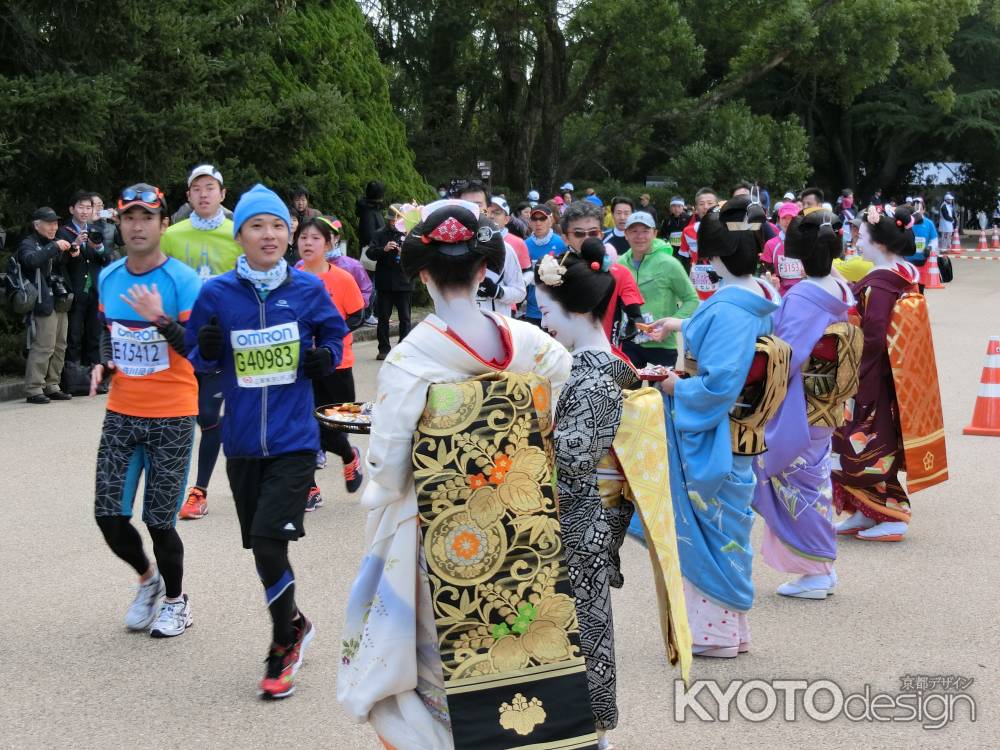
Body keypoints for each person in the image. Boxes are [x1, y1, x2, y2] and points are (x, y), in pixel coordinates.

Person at [338, 202, 594, 749]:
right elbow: (574, 404)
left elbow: (386, 465)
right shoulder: (529, 344)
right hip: (529, 525)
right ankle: (548, 733)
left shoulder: (411, 358)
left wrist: (384, 489)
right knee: (532, 625)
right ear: (484, 271)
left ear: (423, 274)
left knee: (447, 648)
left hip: (447, 528)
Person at [186, 184, 348, 698]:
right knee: (259, 544)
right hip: (241, 443)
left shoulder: (306, 290)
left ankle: (284, 640)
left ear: (290, 233)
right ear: (240, 237)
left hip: (294, 439)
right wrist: (207, 350)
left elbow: (335, 333)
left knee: (269, 538)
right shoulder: (216, 294)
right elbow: (199, 357)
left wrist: (323, 355)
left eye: (279, 225)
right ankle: (295, 620)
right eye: (258, 226)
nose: (270, 234)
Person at [534, 249, 690, 748]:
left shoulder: (597, 375)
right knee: (576, 621)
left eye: (546, 312)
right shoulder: (590, 365)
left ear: (577, 313)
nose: (542, 322)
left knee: (584, 623)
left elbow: (572, 458)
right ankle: (580, 726)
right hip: (582, 512)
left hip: (583, 516)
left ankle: (593, 729)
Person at [647, 196, 790, 658]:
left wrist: (674, 386)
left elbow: (722, 379)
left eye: (705, 255)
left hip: (720, 429)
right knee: (725, 521)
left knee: (714, 524)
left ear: (716, 257)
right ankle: (730, 628)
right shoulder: (759, 296)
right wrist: (682, 323)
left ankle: (717, 631)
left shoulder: (729, 308)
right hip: (738, 430)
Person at [88, 183, 200, 638]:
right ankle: (147, 580)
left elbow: (198, 349)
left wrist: (161, 319)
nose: (137, 225)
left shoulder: (183, 281)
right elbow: (105, 331)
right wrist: (104, 361)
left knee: (159, 519)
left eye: (146, 217)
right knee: (107, 514)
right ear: (119, 223)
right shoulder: (110, 277)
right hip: (122, 411)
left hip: (173, 412)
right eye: (129, 217)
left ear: (162, 224)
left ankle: (177, 602)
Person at [752, 210, 862, 600]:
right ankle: (821, 568)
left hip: (800, 401)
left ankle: (816, 569)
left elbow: (788, 355)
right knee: (811, 479)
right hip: (825, 401)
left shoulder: (801, 296)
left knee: (799, 483)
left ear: (794, 256)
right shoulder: (838, 286)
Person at [832, 205, 949, 543]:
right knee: (864, 443)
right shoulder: (901, 275)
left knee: (870, 445)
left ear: (880, 243)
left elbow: (873, 337)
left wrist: (853, 371)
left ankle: (893, 512)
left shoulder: (880, 285)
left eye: (862, 237)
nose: (857, 243)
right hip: (890, 373)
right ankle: (865, 511)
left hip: (872, 377)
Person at [162, 164, 242, 521]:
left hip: (221, 339)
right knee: (181, 415)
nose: (204, 193)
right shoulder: (172, 235)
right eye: (197, 188)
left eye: (211, 187)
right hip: (179, 338)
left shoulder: (237, 232)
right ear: (188, 196)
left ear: (222, 194)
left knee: (209, 415)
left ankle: (199, 490)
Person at [295, 216, 366, 507]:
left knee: (333, 426)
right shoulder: (290, 276)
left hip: (337, 363)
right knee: (302, 425)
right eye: (303, 237)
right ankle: (309, 488)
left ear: (329, 243)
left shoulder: (342, 278)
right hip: (300, 365)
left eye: (315, 238)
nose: (308, 243)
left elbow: (357, 315)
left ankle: (349, 455)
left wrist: (329, 339)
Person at [562, 200, 644, 361]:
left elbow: (633, 308)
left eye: (592, 233)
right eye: (579, 233)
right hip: (565, 356)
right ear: (566, 238)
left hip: (607, 356)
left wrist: (635, 321)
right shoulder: (555, 271)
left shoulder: (619, 273)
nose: (586, 238)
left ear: (600, 234)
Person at [617, 211, 698, 369]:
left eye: (645, 231)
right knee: (628, 393)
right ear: (625, 234)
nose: (639, 236)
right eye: (634, 231)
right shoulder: (619, 264)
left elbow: (692, 300)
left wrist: (669, 326)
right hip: (629, 343)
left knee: (661, 393)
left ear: (654, 233)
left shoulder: (669, 264)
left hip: (661, 344)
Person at [19, 207, 75, 403]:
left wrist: (69, 251)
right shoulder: (28, 243)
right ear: (37, 225)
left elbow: (57, 263)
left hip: (59, 298)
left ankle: (52, 384)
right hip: (42, 300)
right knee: (44, 345)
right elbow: (30, 261)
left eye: (56, 223)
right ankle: (34, 388)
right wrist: (54, 247)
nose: (54, 227)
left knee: (60, 344)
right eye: (50, 223)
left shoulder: (51, 243)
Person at [456, 182, 527, 316]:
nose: (472, 210)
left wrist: (497, 291)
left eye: (478, 205)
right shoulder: (446, 247)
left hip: (494, 329)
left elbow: (520, 292)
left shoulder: (504, 249)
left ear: (488, 210)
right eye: (466, 205)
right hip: (457, 330)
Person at [58, 190, 110, 367]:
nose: (85, 211)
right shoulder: (63, 232)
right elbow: (61, 261)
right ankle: (71, 378)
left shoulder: (96, 230)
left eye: (88, 208)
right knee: (73, 336)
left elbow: (106, 259)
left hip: (95, 291)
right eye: (81, 207)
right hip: (75, 290)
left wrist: (100, 247)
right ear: (72, 209)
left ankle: (92, 377)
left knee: (94, 335)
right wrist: (76, 244)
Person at [366, 207, 413, 360]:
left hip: (404, 281)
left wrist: (403, 252)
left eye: (397, 220)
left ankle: (403, 348)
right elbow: (370, 253)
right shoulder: (380, 234)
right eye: (392, 219)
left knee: (405, 318)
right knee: (383, 318)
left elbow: (418, 255)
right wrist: (383, 249)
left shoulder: (409, 233)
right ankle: (384, 349)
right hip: (385, 282)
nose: (394, 222)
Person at [523, 203, 567, 324]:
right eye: (534, 219)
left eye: (542, 218)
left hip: (557, 308)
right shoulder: (524, 245)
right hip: (533, 309)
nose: (538, 223)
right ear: (530, 222)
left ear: (551, 220)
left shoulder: (561, 244)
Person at [323, 215, 373, 308]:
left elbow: (366, 290)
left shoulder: (352, 266)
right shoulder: (304, 265)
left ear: (336, 237)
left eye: (327, 235)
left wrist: (354, 309)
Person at [759, 202, 805, 294]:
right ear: (779, 220)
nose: (787, 222)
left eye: (792, 218)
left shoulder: (806, 243)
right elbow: (766, 271)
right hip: (780, 296)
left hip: (803, 294)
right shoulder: (770, 244)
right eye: (784, 218)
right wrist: (771, 278)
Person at [679, 187, 718, 279]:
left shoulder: (726, 229)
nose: (706, 207)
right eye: (701, 204)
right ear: (696, 208)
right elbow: (684, 259)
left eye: (710, 203)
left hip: (722, 284)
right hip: (697, 282)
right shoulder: (687, 231)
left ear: (717, 206)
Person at [907, 197, 938, 293]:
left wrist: (929, 248)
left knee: (920, 290)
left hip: (922, 260)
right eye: (915, 208)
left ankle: (919, 304)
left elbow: (934, 239)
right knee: (907, 287)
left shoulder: (929, 223)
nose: (918, 211)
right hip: (907, 260)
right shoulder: (907, 222)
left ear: (924, 210)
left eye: (920, 208)